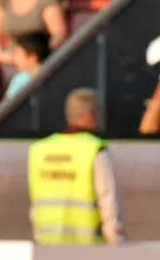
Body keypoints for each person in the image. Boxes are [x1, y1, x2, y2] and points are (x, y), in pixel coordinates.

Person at [27, 88, 124, 245]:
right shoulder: (94, 149)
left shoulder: (39, 150)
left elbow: (34, 208)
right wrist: (117, 246)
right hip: (87, 250)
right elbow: (109, 206)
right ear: (91, 115)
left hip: (47, 247)